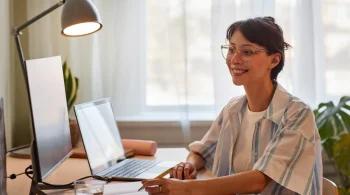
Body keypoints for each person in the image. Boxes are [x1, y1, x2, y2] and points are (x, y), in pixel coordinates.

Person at [141, 16, 323, 195]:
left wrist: (183, 189)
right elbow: (202, 152)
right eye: (231, 49)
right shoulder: (233, 109)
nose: (234, 60)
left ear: (274, 60)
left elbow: (259, 181)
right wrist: (188, 164)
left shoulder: (297, 114)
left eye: (247, 52)